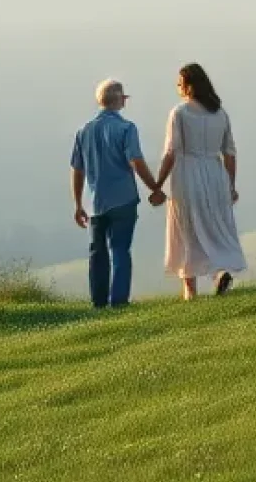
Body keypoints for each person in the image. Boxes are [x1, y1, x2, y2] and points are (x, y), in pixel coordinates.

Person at [70, 79, 166, 308]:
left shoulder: (83, 131)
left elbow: (77, 169)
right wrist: (154, 187)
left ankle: (99, 301)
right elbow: (136, 161)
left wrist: (78, 204)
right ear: (121, 100)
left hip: (95, 203)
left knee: (97, 252)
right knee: (120, 249)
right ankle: (119, 300)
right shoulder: (126, 128)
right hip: (123, 199)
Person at [158, 62, 246, 299]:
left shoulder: (180, 113)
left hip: (187, 174)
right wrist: (230, 185)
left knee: (187, 228)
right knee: (215, 225)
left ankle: (190, 288)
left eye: (180, 83)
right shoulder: (220, 114)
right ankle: (220, 271)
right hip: (215, 174)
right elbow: (230, 152)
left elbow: (171, 151)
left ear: (189, 86)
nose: (178, 87)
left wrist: (157, 184)